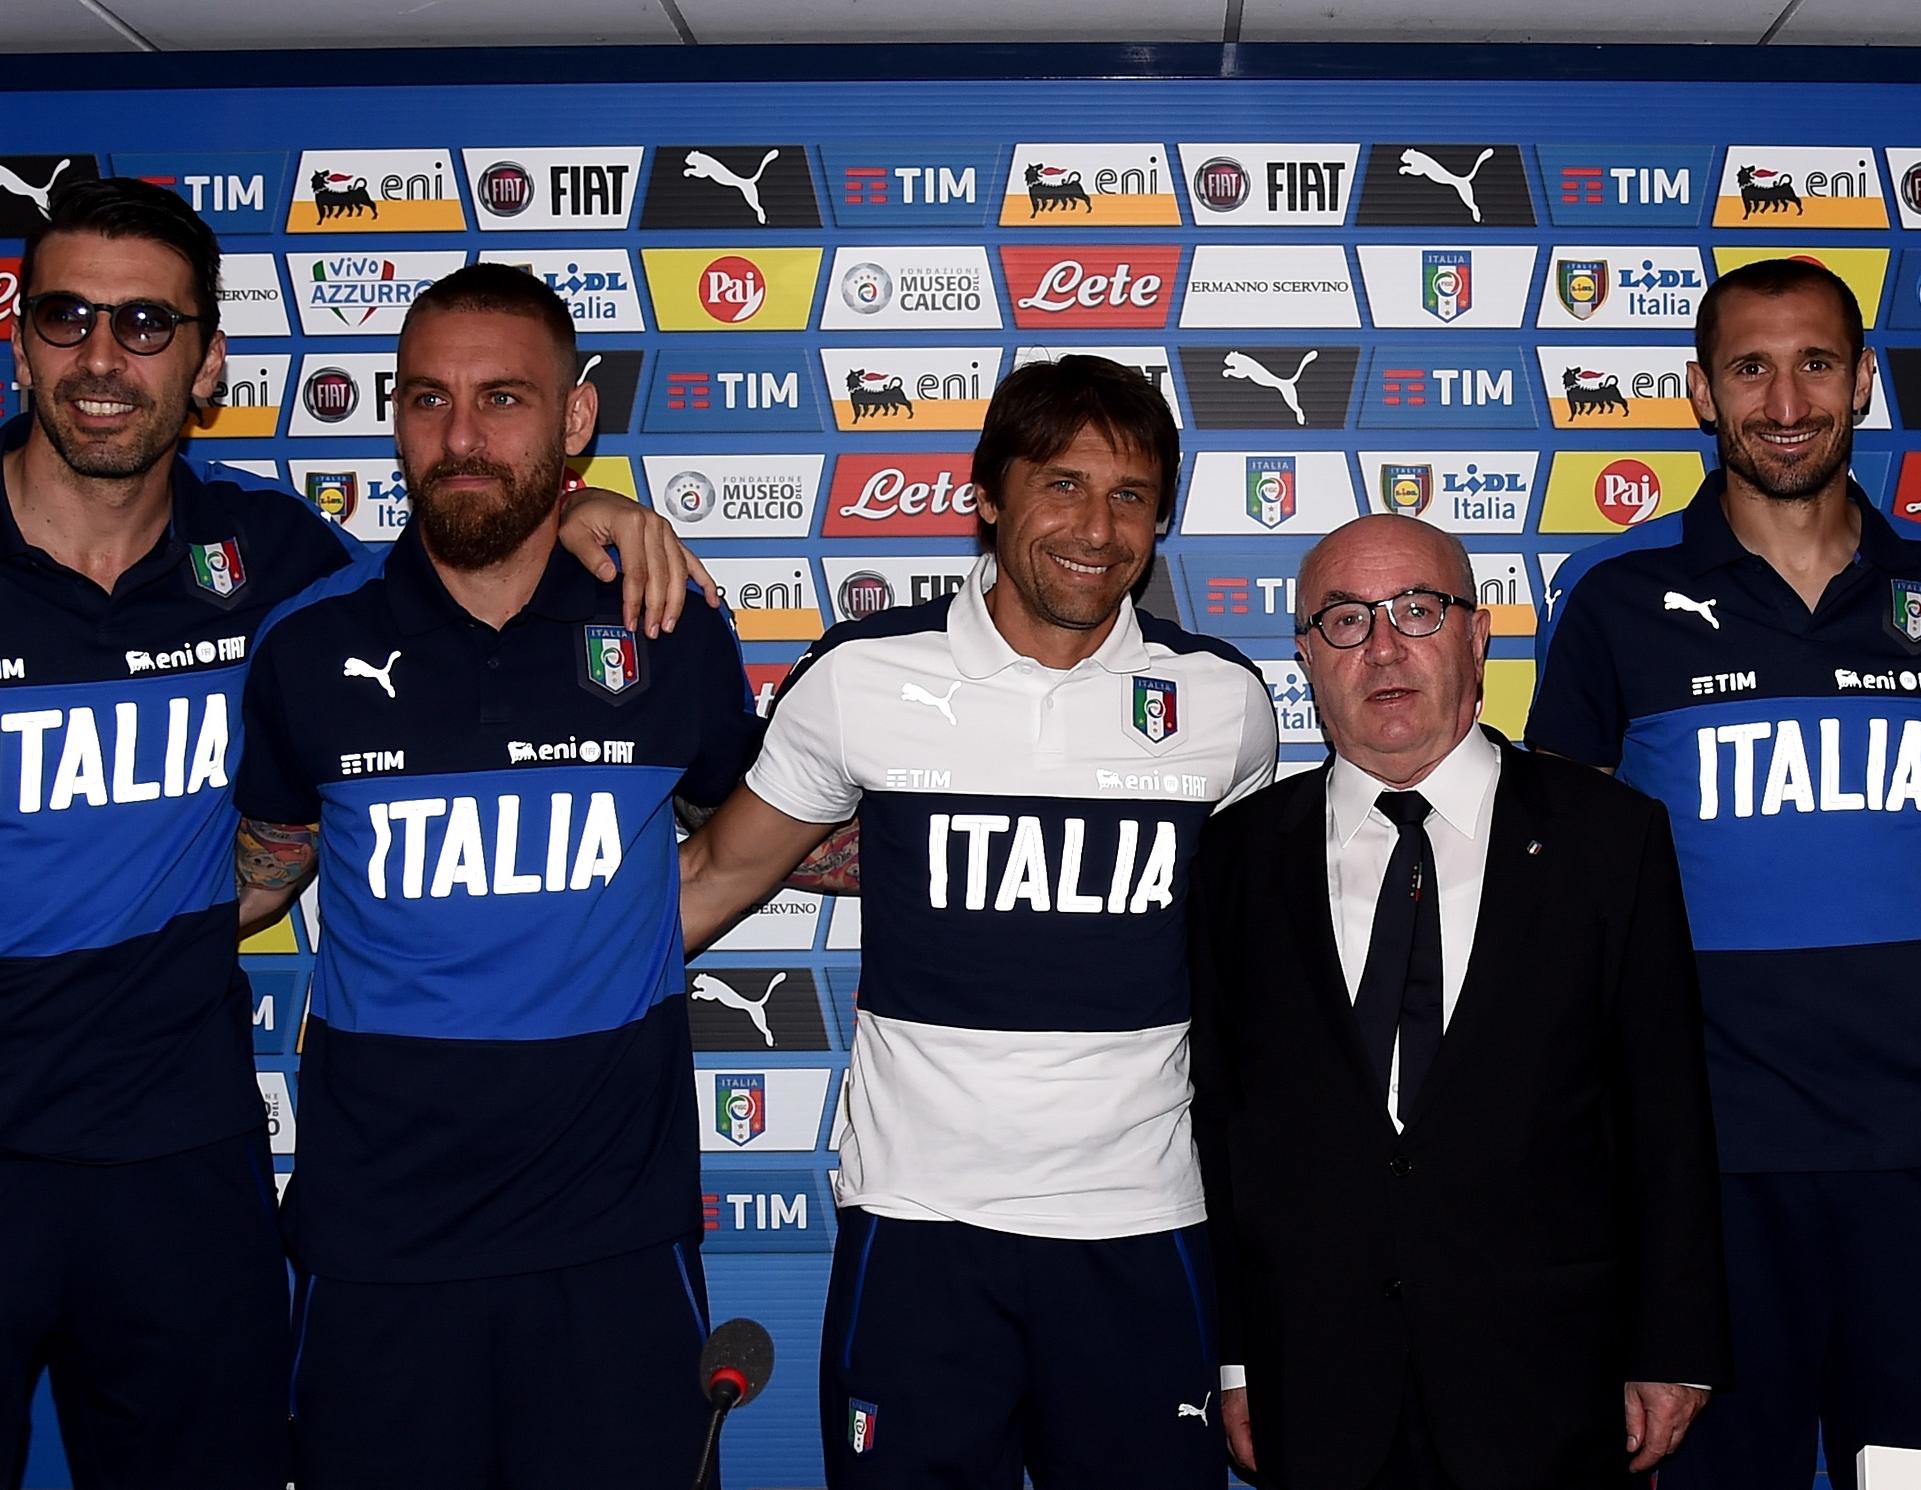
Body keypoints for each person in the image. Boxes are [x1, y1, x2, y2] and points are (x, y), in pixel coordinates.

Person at [0, 180, 707, 1490]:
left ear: (207, 359)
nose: (102, 356)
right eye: (66, 316)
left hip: (180, 1157)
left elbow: (455, 559)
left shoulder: (270, 559)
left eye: (146, 323)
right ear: (20, 332)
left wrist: (586, 510)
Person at [676, 354, 1278, 1489]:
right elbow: (713, 875)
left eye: (1130, 494)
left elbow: (1255, 942)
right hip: (919, 1227)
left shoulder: (1224, 706)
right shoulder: (865, 676)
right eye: (1060, 483)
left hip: (1141, 1226)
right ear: (988, 495)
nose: (1094, 526)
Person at [1527, 256, 1921, 1490]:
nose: (1785, 399)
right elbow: (1568, 898)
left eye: (1816, 361)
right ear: (1701, 392)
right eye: (1749, 368)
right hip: (1707, 1169)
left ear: (1864, 380)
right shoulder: (1617, 604)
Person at [227, 264, 755, 1488]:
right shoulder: (309, 640)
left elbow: (776, 824)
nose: (460, 437)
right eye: (427, 399)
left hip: (613, 1246)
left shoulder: (666, 627)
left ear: (575, 420)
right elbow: (261, 864)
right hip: (377, 1252)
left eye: (503, 398)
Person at [1189, 513, 1728, 1490]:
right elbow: (1223, 1130)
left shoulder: (1611, 837)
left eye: (1419, 610)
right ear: (1306, 655)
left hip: (1551, 1380)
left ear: (1479, 637)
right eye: (1347, 619)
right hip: (1316, 1384)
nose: (1385, 646)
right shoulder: (1237, 857)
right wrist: (1236, 1357)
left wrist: (1671, 1341)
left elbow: (1666, 1110)